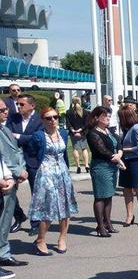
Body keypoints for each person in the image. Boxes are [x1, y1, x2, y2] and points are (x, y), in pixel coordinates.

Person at [29, 107, 78, 255]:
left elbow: (65, 156)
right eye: (48, 118)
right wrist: (34, 171)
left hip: (62, 174)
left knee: (65, 207)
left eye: (55, 117)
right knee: (47, 208)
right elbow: (29, 155)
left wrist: (67, 172)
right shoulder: (38, 136)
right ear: (42, 120)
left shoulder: (63, 133)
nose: (52, 121)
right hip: (46, 174)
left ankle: (62, 238)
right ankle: (40, 240)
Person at [7, 93, 43, 233]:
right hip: (15, 160)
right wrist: (24, 138)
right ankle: (19, 216)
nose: (19, 106)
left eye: (22, 104)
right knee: (9, 191)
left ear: (32, 105)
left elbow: (37, 139)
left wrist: (20, 137)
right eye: (18, 104)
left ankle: (36, 223)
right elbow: (8, 136)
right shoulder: (14, 118)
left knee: (36, 193)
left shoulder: (40, 119)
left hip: (33, 160)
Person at [86, 107, 125, 237]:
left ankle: (108, 223)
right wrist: (116, 158)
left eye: (109, 116)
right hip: (101, 167)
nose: (108, 118)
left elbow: (118, 142)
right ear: (97, 118)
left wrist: (119, 153)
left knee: (109, 195)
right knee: (100, 197)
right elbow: (101, 150)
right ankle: (100, 226)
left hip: (112, 167)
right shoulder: (93, 133)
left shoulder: (108, 131)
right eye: (105, 116)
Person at [0, 99, 28, 267]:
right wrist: (17, 172)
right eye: (2, 109)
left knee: (6, 220)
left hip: (12, 180)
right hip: (5, 181)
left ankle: (3, 253)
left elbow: (17, 150)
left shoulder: (5, 129)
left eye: (6, 109)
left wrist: (21, 170)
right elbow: (3, 157)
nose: (6, 112)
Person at [118, 108, 138, 227]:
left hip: (135, 160)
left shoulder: (136, 128)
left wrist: (124, 150)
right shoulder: (125, 129)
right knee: (126, 188)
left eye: (121, 117)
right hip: (125, 160)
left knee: (137, 187)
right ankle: (129, 215)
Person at [66, 97, 90, 174]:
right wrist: (80, 130)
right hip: (82, 133)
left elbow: (68, 123)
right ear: (80, 102)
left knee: (75, 149)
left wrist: (73, 130)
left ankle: (78, 166)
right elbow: (86, 123)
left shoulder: (69, 112)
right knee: (84, 149)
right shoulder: (85, 112)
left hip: (73, 133)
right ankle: (86, 166)